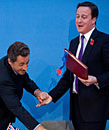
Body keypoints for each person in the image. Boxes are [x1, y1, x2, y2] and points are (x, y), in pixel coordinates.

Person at [37, 1, 109, 130]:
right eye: (77, 16)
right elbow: (69, 75)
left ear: (94, 20)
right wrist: (51, 96)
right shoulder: (74, 43)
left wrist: (96, 80)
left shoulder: (104, 41)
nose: (79, 21)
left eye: (84, 17)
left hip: (95, 111)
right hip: (76, 110)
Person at [0, 41, 47, 130]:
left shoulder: (11, 61)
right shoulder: (2, 79)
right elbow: (16, 108)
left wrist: (38, 93)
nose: (26, 68)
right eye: (22, 64)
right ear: (10, 61)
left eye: (27, 63)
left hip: (3, 115)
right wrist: (38, 128)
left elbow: (25, 79)